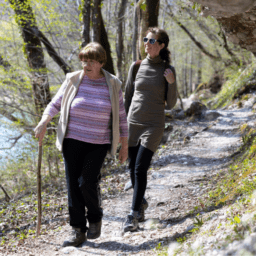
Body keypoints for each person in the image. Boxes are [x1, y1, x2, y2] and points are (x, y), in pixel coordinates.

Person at [34, 42, 128, 246]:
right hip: (72, 140)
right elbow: (56, 103)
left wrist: (124, 145)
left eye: (91, 61)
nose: (86, 64)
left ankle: (95, 217)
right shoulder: (73, 79)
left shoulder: (113, 84)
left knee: (86, 182)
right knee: (72, 186)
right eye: (84, 60)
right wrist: (44, 122)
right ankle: (77, 230)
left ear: (101, 62)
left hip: (98, 142)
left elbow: (121, 116)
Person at [123, 27, 177, 232]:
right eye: (145, 39)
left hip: (153, 125)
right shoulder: (136, 66)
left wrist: (171, 83)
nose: (146, 43)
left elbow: (170, 104)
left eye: (151, 40)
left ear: (162, 45)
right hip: (133, 122)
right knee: (131, 168)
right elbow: (128, 96)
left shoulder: (167, 70)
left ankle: (133, 214)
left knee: (140, 168)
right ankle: (141, 203)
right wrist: (123, 125)